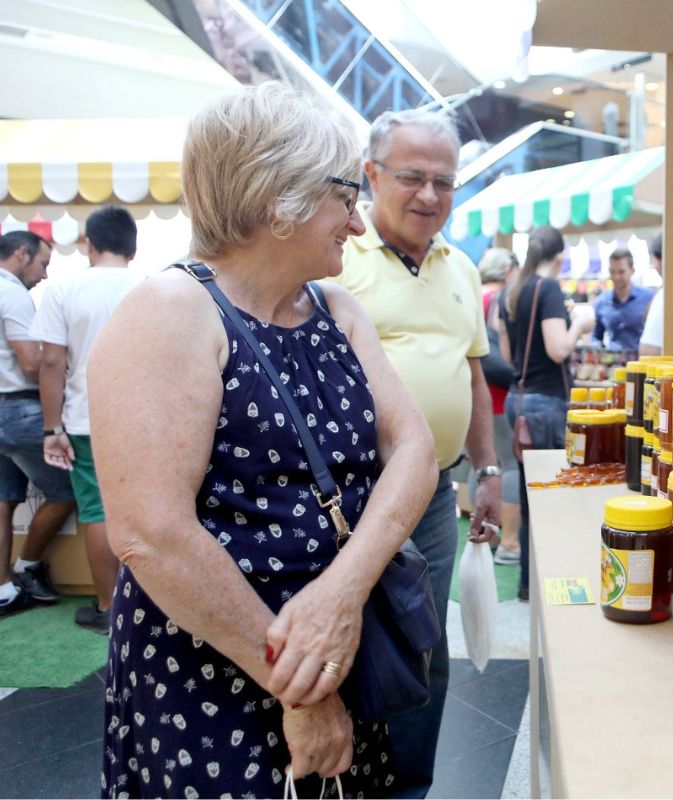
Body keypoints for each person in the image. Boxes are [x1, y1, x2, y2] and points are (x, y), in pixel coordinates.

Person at [86, 82, 438, 797]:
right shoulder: (171, 309)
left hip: (335, 654)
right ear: (279, 197)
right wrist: (303, 691)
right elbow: (152, 534)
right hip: (216, 673)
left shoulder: (335, 308)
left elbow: (415, 452)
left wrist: (340, 596)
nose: (358, 224)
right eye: (345, 194)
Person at [333, 108, 501, 797]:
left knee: (423, 644)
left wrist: (488, 471)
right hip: (348, 494)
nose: (429, 195)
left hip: (432, 492)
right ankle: (343, 779)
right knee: (346, 639)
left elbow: (471, 374)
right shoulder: (335, 256)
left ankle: (408, 786)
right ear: (371, 175)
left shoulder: (460, 266)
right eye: (412, 178)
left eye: (444, 181)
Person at [30, 206, 141, 633]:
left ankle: (108, 607)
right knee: (147, 510)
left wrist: (51, 429)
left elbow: (52, 363)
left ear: (89, 244)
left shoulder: (63, 289)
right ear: (134, 246)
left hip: (84, 421)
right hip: (147, 423)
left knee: (97, 512)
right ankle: (153, 607)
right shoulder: (152, 287)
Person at [498, 226, 594, 601]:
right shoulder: (548, 289)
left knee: (529, 496)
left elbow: (507, 357)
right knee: (552, 500)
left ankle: (528, 583)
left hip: (517, 402)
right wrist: (580, 326)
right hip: (545, 406)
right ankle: (552, 585)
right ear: (559, 258)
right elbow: (558, 349)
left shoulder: (511, 292)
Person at [0, 231, 76, 617]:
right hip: (20, 409)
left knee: (4, 500)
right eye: (42, 264)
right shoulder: (10, 292)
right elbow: (32, 363)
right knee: (68, 491)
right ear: (20, 254)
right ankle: (28, 567)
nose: (44, 275)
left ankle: (4, 590)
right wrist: (60, 360)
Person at [476, 247, 522, 565]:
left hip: (474, 397)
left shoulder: (470, 295)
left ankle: (485, 535)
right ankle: (509, 542)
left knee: (484, 467)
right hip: (497, 397)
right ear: (508, 272)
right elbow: (502, 351)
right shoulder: (498, 299)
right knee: (510, 466)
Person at [590, 248, 654, 351]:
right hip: (612, 363)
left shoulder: (648, 298)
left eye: (621, 272)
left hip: (640, 363)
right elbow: (596, 336)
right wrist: (596, 348)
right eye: (612, 271)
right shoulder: (601, 302)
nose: (616, 277)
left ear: (632, 271)